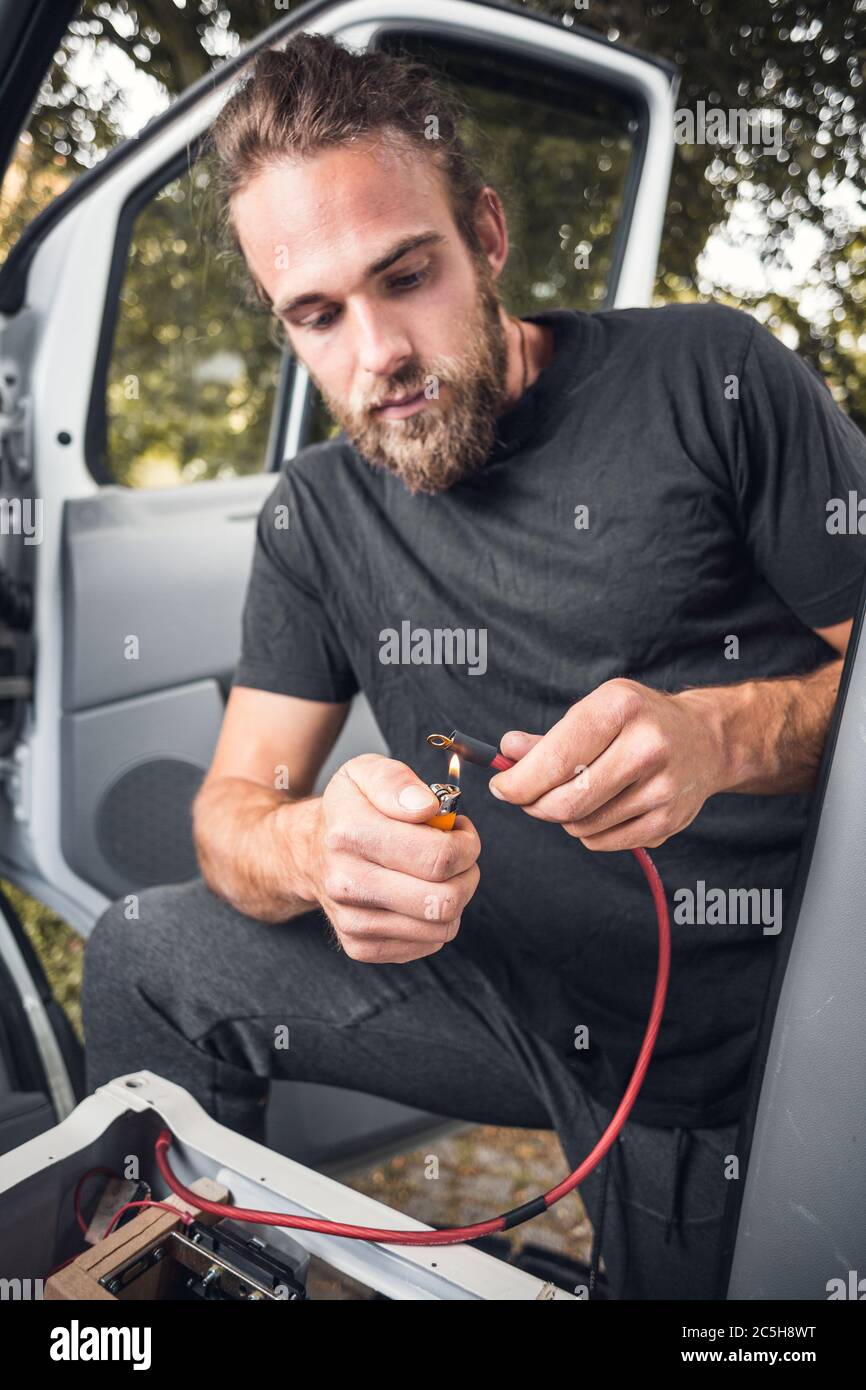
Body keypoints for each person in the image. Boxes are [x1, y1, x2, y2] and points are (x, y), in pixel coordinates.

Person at [83, 33, 866, 1300]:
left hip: (731, 1033)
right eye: (317, 314)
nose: (377, 350)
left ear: (486, 235)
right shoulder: (315, 514)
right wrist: (312, 847)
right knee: (142, 947)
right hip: (499, 991)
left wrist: (721, 738)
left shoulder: (708, 378)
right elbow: (229, 816)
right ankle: (160, 1284)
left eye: (406, 275)